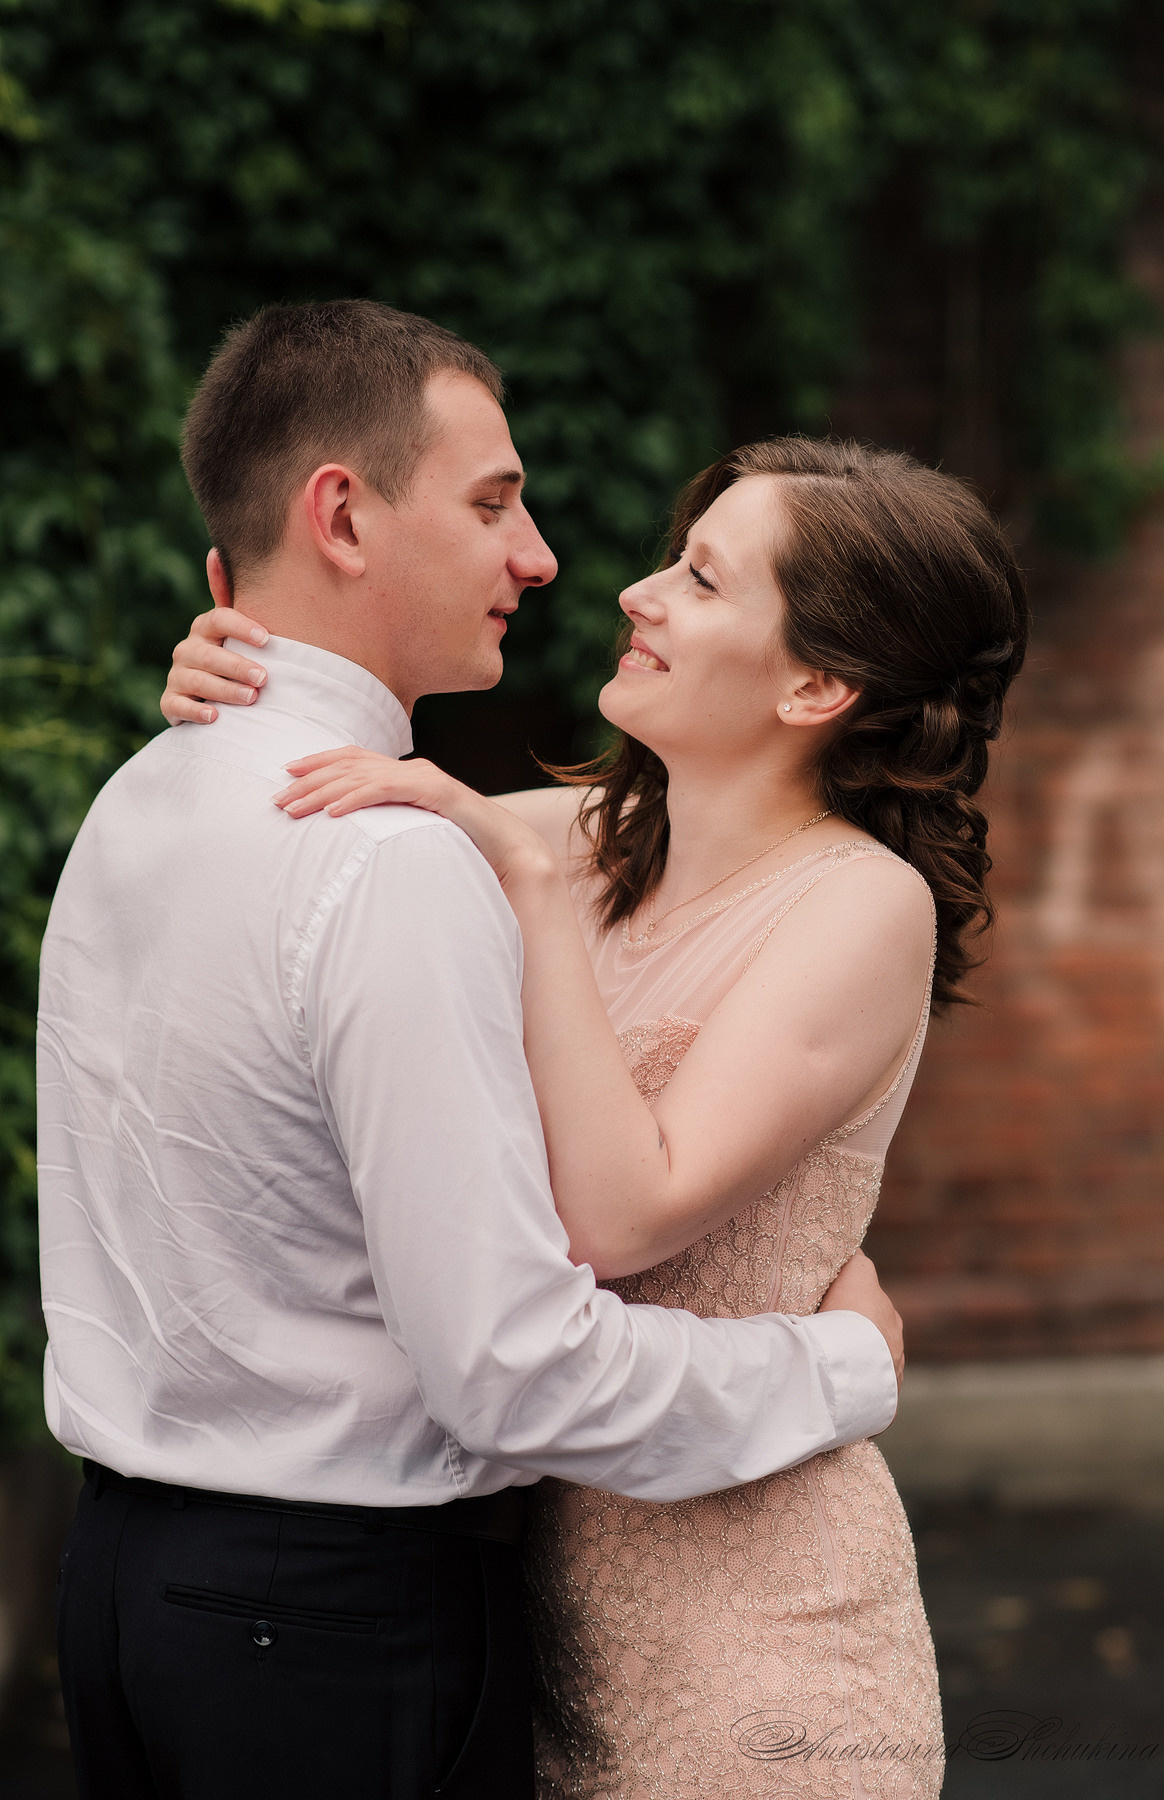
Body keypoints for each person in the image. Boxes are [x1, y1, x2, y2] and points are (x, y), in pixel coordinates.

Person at [38, 300, 907, 1800]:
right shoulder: (407, 855)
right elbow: (511, 1368)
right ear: (343, 517)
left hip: (135, 1588)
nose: (560, 565)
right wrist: (838, 1365)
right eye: (495, 503)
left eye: (698, 574)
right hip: (324, 1619)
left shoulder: (151, 789)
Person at [165, 422, 1029, 1796]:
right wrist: (241, 679)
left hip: (758, 1633)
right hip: (546, 1620)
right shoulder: (583, 838)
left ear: (813, 681)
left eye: (698, 576)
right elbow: (304, 834)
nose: (635, 591)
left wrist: (519, 887)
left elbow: (617, 1213)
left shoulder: (862, 904)